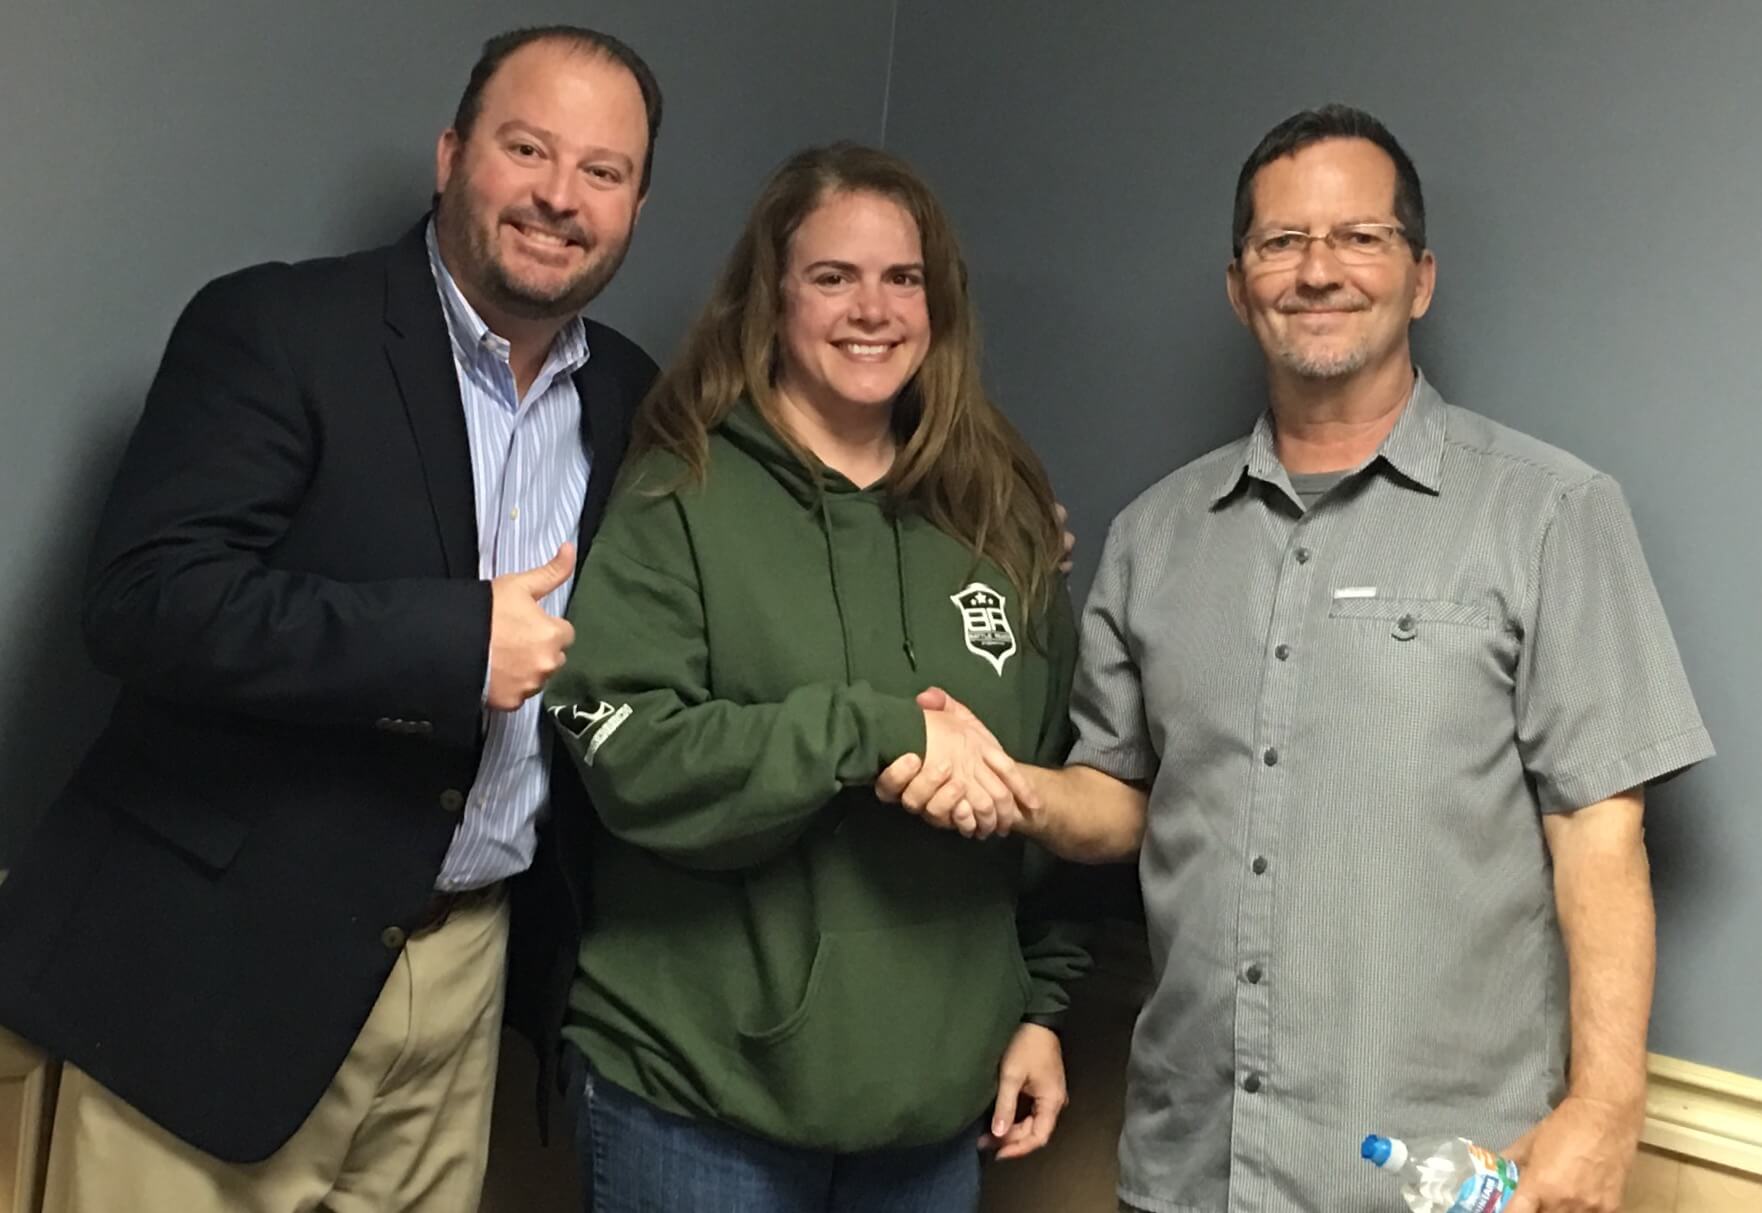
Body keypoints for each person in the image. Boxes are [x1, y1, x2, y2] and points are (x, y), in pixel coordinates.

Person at [879, 104, 1713, 1213]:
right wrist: (1013, 786)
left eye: (1358, 238)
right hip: (1192, 1166)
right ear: (1239, 286)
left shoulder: (1551, 514)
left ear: (1419, 277)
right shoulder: (1156, 534)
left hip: (1446, 1182)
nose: (1316, 271)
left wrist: (1606, 1116)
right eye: (1280, 243)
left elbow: (1600, 841)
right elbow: (1121, 804)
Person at [0, 25, 663, 1212]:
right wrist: (456, 642)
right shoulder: (277, 328)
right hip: (212, 979)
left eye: (603, 172)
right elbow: (147, 598)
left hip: (465, 972)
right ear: (453, 155)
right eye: (529, 149)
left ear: (633, 203)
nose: (561, 197)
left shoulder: (626, 393)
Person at [543, 142, 1088, 1211]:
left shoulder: (1001, 515)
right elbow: (631, 755)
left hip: (937, 1110)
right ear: (771, 300)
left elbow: (1056, 773)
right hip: (696, 1095)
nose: (871, 310)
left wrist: (1042, 1006)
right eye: (832, 277)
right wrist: (867, 732)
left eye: (903, 279)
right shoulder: (681, 492)